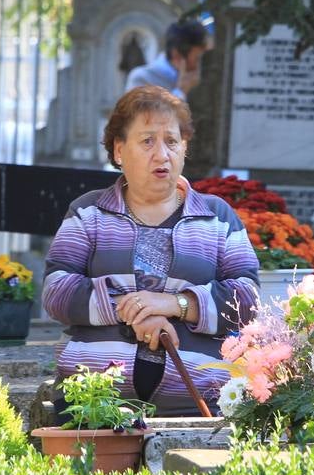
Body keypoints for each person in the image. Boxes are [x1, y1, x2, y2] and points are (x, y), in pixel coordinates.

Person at [42, 86, 259, 415]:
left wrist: (176, 304)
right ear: (118, 150)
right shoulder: (88, 212)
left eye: (171, 141)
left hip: (198, 404)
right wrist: (137, 311)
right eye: (147, 141)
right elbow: (57, 291)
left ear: (184, 148)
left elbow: (247, 298)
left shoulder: (217, 217)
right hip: (93, 404)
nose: (162, 154)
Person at [125, 19, 210, 100]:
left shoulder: (196, 80)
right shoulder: (141, 78)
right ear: (177, 55)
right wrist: (181, 92)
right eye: (197, 57)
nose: (200, 64)